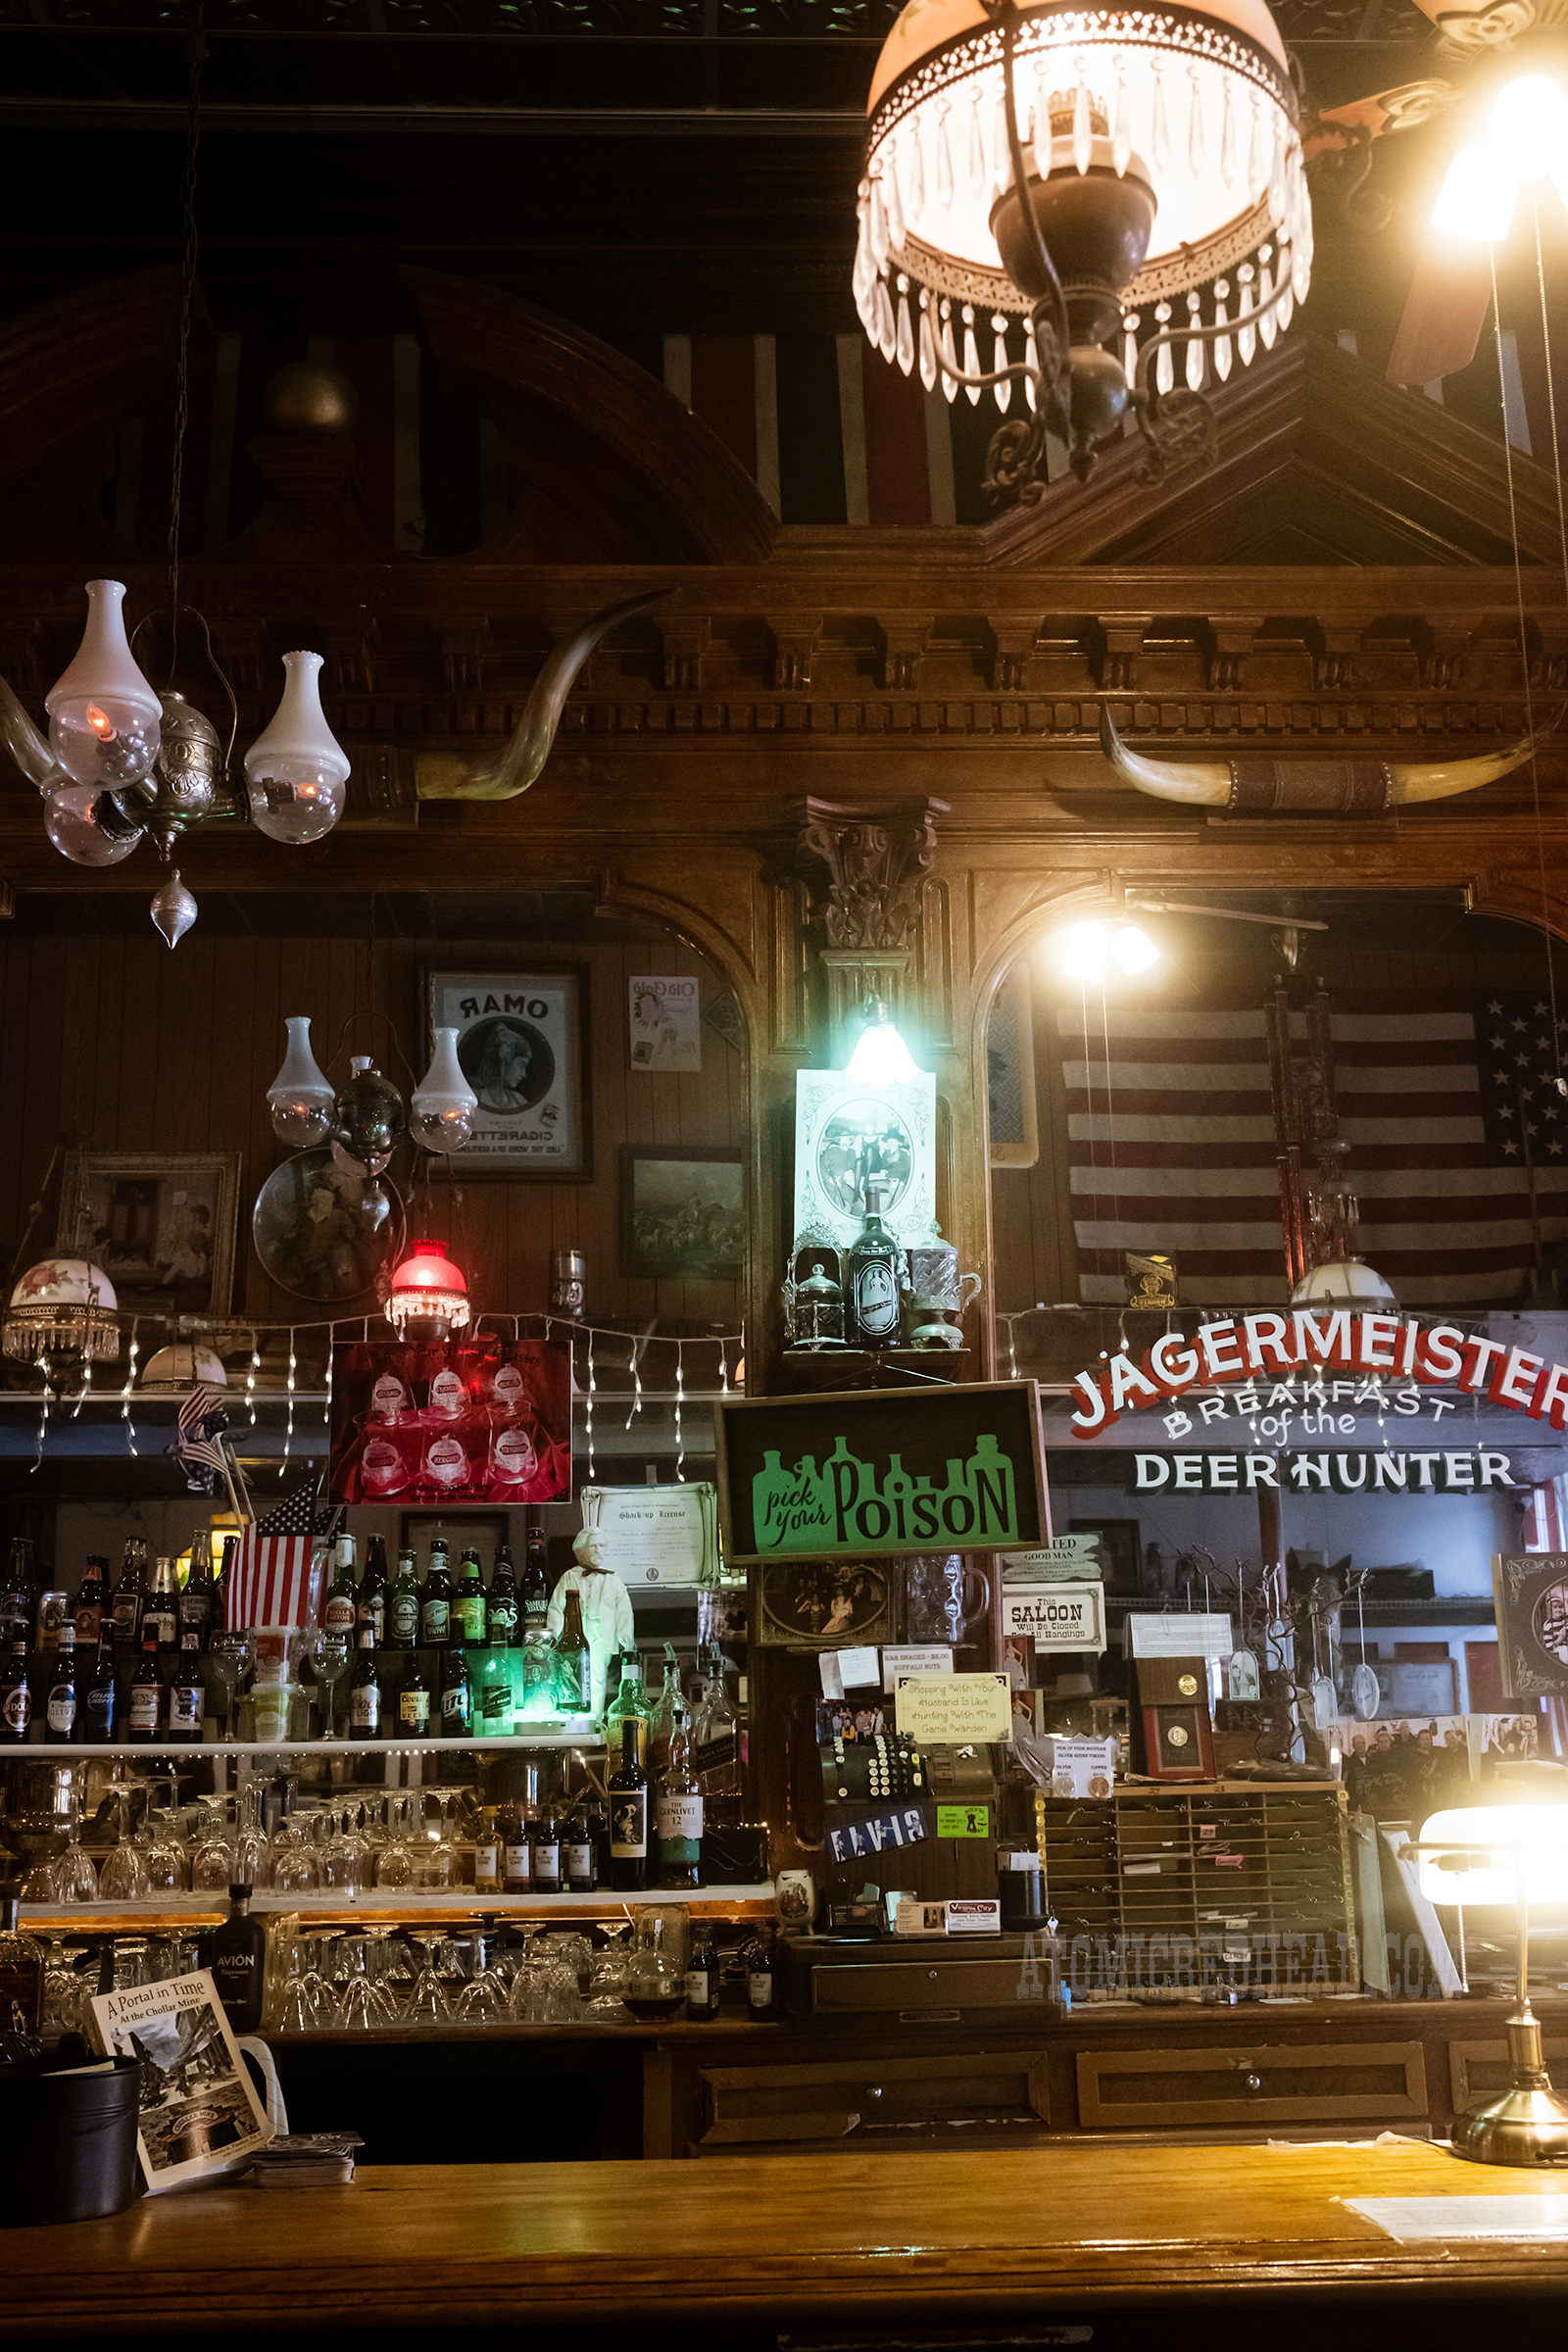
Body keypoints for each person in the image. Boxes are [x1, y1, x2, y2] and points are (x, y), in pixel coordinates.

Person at [545, 1525, 635, 1717]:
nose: (598, 1550)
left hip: (602, 1634)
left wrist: (625, 1636)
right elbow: (556, 1607)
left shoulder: (614, 1581)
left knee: (597, 1676)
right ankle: (573, 1714)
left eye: (602, 1545)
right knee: (571, 1674)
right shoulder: (569, 1577)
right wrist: (553, 1633)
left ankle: (594, 1716)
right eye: (593, 1545)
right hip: (574, 1635)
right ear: (581, 1549)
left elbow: (624, 1610)